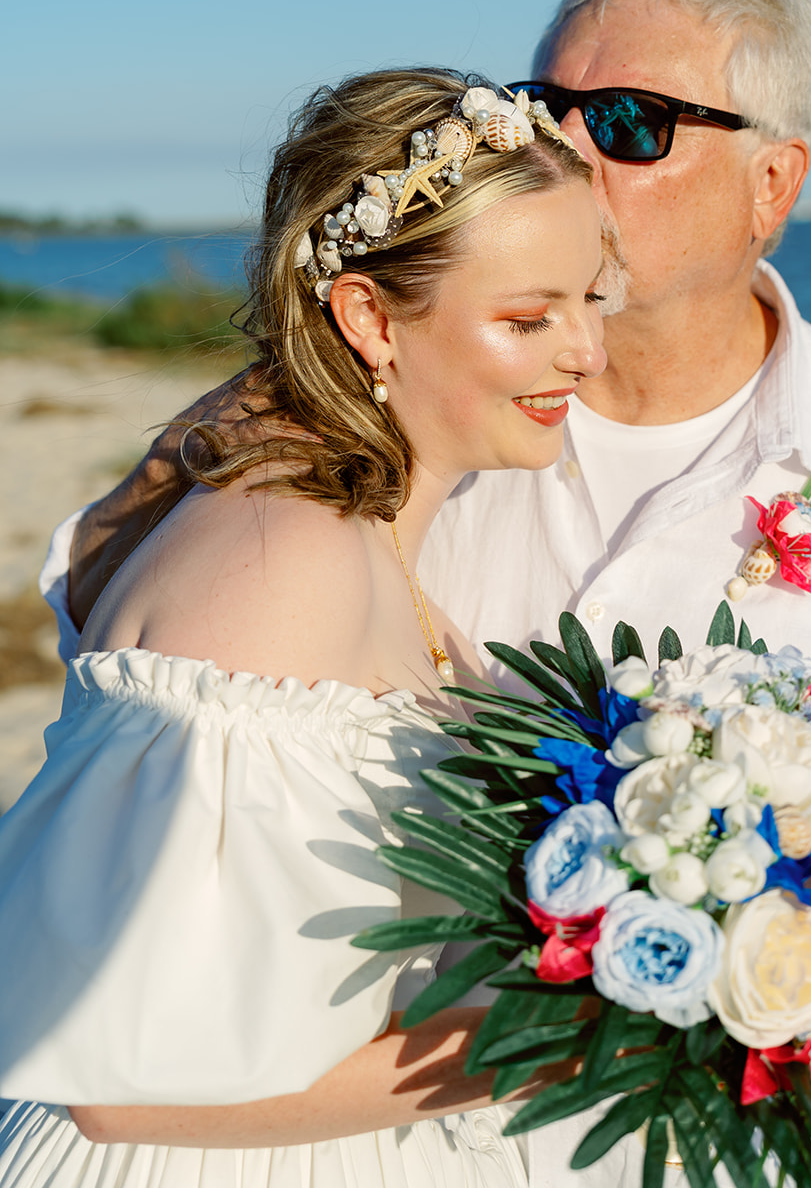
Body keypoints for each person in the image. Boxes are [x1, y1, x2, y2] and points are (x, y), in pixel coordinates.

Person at [55, 0, 811, 1176]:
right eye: (540, 109)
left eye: (634, 121)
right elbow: (119, 610)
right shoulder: (426, 406)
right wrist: (282, 388)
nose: (570, 152)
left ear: (773, 183)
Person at [0, 67, 609, 1188]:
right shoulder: (291, 557)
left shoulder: (353, 523)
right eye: (528, 317)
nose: (585, 354)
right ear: (370, 316)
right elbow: (125, 1080)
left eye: (591, 299)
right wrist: (571, 1031)